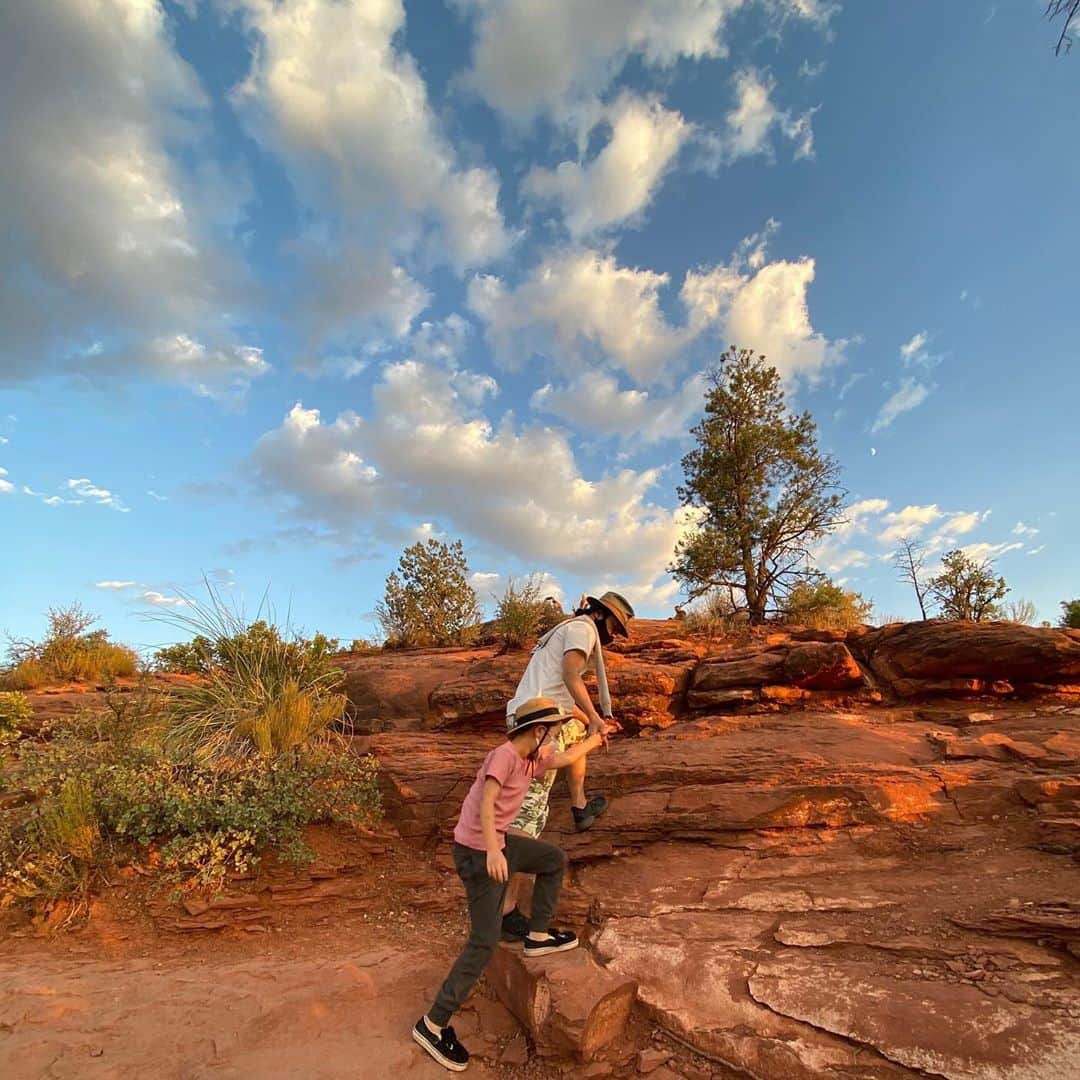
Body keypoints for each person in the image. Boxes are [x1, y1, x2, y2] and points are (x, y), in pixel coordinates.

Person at [412, 696, 608, 1073]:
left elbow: (566, 759)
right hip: (477, 852)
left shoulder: (530, 760)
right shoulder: (503, 756)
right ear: (537, 732)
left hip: (498, 843)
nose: (555, 738)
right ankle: (432, 1025)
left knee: (552, 859)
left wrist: (595, 739)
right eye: (552, 732)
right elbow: (487, 803)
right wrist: (493, 852)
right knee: (484, 941)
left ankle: (536, 937)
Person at [499, 591, 634, 942]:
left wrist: (592, 723)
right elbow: (571, 676)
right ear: (602, 616)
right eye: (616, 628)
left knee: (577, 733)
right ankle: (505, 911)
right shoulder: (583, 630)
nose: (614, 636)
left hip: (541, 714)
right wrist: (594, 716)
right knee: (526, 814)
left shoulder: (570, 629)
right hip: (535, 723)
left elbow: (560, 694)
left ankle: (579, 807)